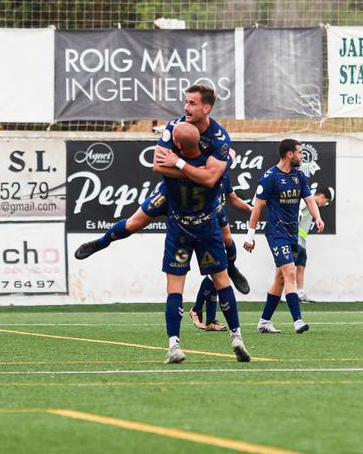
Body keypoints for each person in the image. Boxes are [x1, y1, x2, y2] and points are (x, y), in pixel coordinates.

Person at [74, 84, 250, 294]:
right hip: (170, 192)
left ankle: (231, 268)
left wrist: (183, 166)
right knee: (132, 224)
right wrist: (196, 171)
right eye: (186, 102)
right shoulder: (175, 127)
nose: (186, 107)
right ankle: (101, 243)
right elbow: (158, 166)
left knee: (227, 238)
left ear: (207, 109)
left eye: (192, 103)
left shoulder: (219, 137)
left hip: (205, 200)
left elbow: (211, 180)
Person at [153, 122, 250, 364]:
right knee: (222, 280)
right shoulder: (212, 167)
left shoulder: (174, 161)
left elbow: (159, 165)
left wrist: (176, 162)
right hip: (207, 224)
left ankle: (174, 344)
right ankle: (236, 336)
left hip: (180, 227)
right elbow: (212, 176)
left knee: (175, 287)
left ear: (177, 144)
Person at [244, 139, 324, 334]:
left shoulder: (299, 176)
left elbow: (310, 200)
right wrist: (250, 235)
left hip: (292, 233)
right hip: (276, 232)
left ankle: (264, 321)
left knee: (280, 279)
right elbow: (257, 207)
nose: (302, 156)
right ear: (290, 154)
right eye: (299, 153)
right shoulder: (270, 177)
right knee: (290, 273)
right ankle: (297, 320)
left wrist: (318, 217)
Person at [189, 171, 253, 331]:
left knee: (217, 275)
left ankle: (210, 320)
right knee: (216, 273)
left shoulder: (223, 176)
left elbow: (233, 199)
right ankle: (196, 309)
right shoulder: (202, 175)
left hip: (219, 227)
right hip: (205, 227)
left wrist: (251, 209)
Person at [296, 187, 332, 303]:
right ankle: (286, 294)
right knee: (288, 269)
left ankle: (300, 294)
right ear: (322, 196)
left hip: (302, 240)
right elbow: (298, 209)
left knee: (301, 266)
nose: (324, 204)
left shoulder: (313, 205)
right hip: (295, 239)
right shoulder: (307, 199)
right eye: (325, 201)